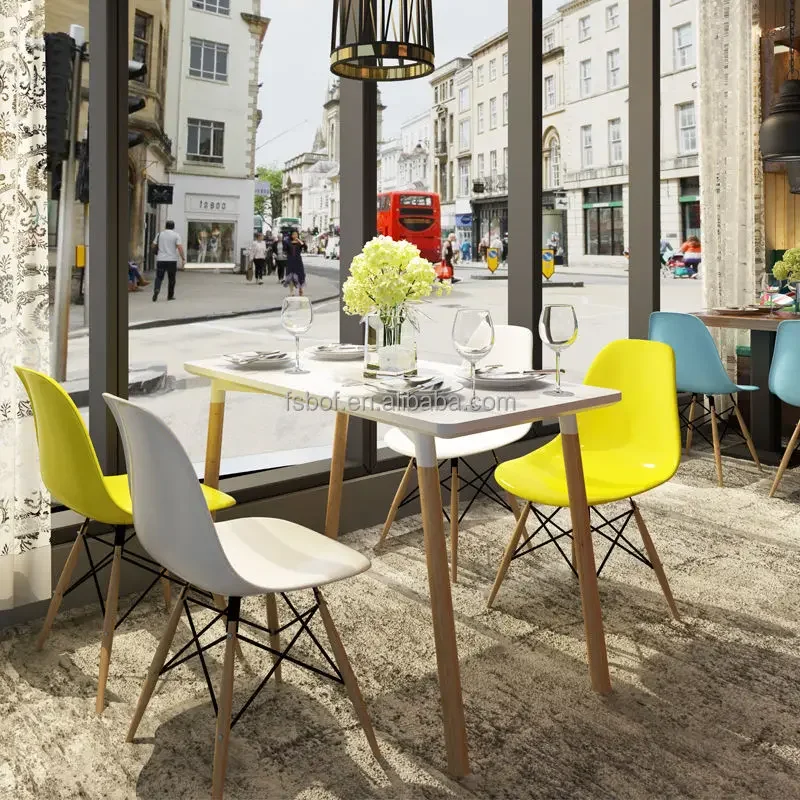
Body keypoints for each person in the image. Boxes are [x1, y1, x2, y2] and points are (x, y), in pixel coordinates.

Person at [152, 220, 185, 302]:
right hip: (172, 260)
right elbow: (180, 248)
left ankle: (156, 289)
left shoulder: (159, 234)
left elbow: (153, 245)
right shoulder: (176, 235)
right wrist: (183, 258)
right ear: (173, 227)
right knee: (172, 279)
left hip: (161, 259)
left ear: (165, 226)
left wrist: (157, 251)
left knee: (159, 277)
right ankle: (170, 296)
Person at [284, 229, 307, 296]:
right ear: (291, 235)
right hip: (290, 261)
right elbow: (284, 249)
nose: (295, 235)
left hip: (298, 261)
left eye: (296, 234)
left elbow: (305, 247)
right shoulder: (287, 242)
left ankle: (300, 289)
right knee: (290, 276)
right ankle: (291, 292)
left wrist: (300, 241)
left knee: (300, 275)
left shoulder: (300, 242)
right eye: (293, 234)